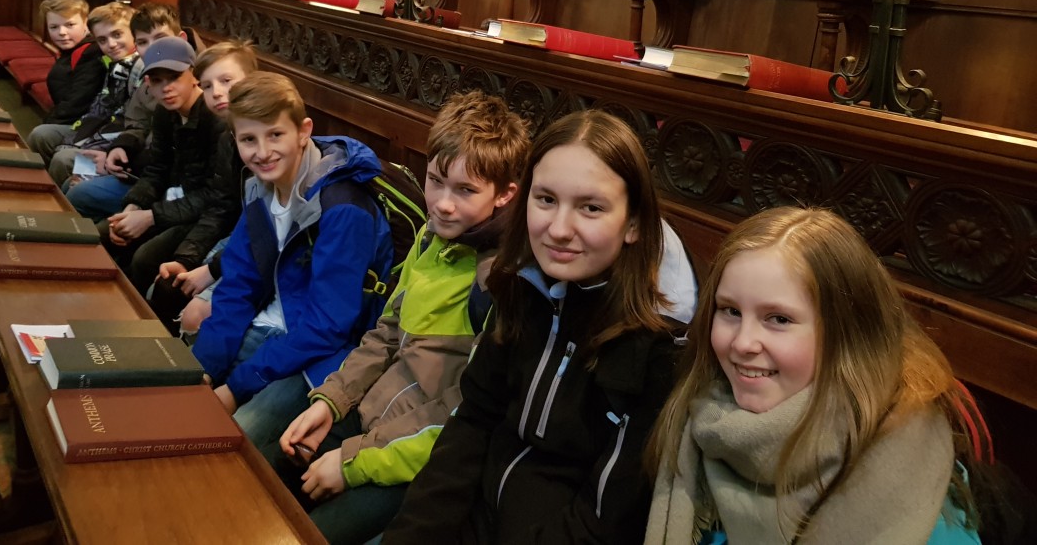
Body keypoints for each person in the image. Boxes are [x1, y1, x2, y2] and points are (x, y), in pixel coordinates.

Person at [383, 110, 682, 544]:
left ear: (633, 223)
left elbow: (604, 520)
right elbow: (471, 426)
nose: (558, 229)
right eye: (545, 200)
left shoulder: (654, 353)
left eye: (591, 207)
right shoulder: (521, 292)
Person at [276, 90, 529, 544]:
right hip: (372, 418)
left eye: (466, 190)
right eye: (436, 181)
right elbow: (387, 333)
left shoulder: (498, 282)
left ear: (505, 194)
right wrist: (332, 400)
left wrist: (354, 463)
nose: (443, 204)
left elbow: (462, 413)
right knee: (273, 472)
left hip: (418, 457)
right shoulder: (432, 238)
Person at [643, 207, 982, 545]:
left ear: (846, 334)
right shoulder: (695, 422)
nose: (743, 343)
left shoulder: (916, 491)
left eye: (779, 319)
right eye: (731, 311)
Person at [191, 71, 394, 459]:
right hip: (271, 328)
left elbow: (329, 325)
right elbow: (238, 286)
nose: (262, 152)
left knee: (231, 439)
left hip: (322, 353)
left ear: (303, 132)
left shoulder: (342, 207)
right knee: (182, 394)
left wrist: (235, 387)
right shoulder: (258, 188)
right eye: (249, 139)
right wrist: (204, 367)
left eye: (275, 135)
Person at [98, 36, 224, 295]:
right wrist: (134, 205)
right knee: (106, 232)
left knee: (145, 258)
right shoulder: (164, 113)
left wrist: (150, 216)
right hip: (174, 203)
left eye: (174, 77)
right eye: (157, 80)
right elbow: (157, 169)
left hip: (204, 213)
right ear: (147, 83)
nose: (166, 88)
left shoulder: (216, 119)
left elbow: (216, 196)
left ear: (194, 75)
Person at [149, 39, 259, 331]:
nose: (217, 92)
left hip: (258, 244)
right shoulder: (229, 137)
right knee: (167, 284)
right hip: (236, 233)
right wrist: (186, 259)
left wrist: (211, 268)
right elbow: (221, 205)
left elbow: (265, 227)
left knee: (184, 304)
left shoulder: (262, 140)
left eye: (226, 81)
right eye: (207, 86)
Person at [65, 2, 193, 219]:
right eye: (142, 42)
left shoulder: (184, 83)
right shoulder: (146, 78)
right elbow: (134, 122)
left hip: (163, 182)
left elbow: (169, 157)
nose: (152, 48)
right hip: (138, 165)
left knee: (78, 189)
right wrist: (120, 148)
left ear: (181, 39)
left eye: (160, 38)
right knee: (71, 180)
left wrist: (121, 161)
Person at [47, 1, 140, 186]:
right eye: (102, 40)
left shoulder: (138, 69)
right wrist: (74, 141)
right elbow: (98, 111)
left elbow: (121, 123)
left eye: (117, 35)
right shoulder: (112, 63)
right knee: (42, 135)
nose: (111, 44)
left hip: (120, 144)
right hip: (100, 131)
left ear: (134, 34)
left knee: (63, 159)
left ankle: (62, 196)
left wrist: (80, 148)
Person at [27, 0, 105, 162]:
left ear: (86, 23)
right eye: (54, 27)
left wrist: (48, 123)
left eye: (70, 25)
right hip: (72, 119)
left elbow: (78, 102)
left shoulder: (92, 53)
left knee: (41, 135)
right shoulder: (72, 51)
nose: (61, 32)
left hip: (87, 125)